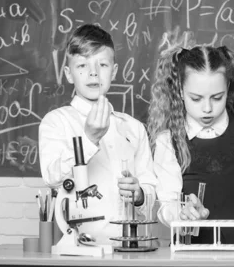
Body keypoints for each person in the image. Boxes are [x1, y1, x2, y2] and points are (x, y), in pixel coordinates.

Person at [39, 24, 157, 244]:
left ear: (113, 71)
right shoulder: (56, 122)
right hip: (78, 249)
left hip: (128, 248)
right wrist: (89, 139)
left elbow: (150, 191)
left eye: (102, 64)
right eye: (82, 65)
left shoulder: (133, 128)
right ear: (69, 74)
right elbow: (52, 177)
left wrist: (140, 194)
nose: (93, 72)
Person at [148, 45, 234, 245]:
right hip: (192, 249)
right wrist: (183, 214)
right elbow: (167, 206)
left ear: (228, 90)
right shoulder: (168, 140)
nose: (207, 109)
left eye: (217, 98)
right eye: (196, 98)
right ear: (180, 91)